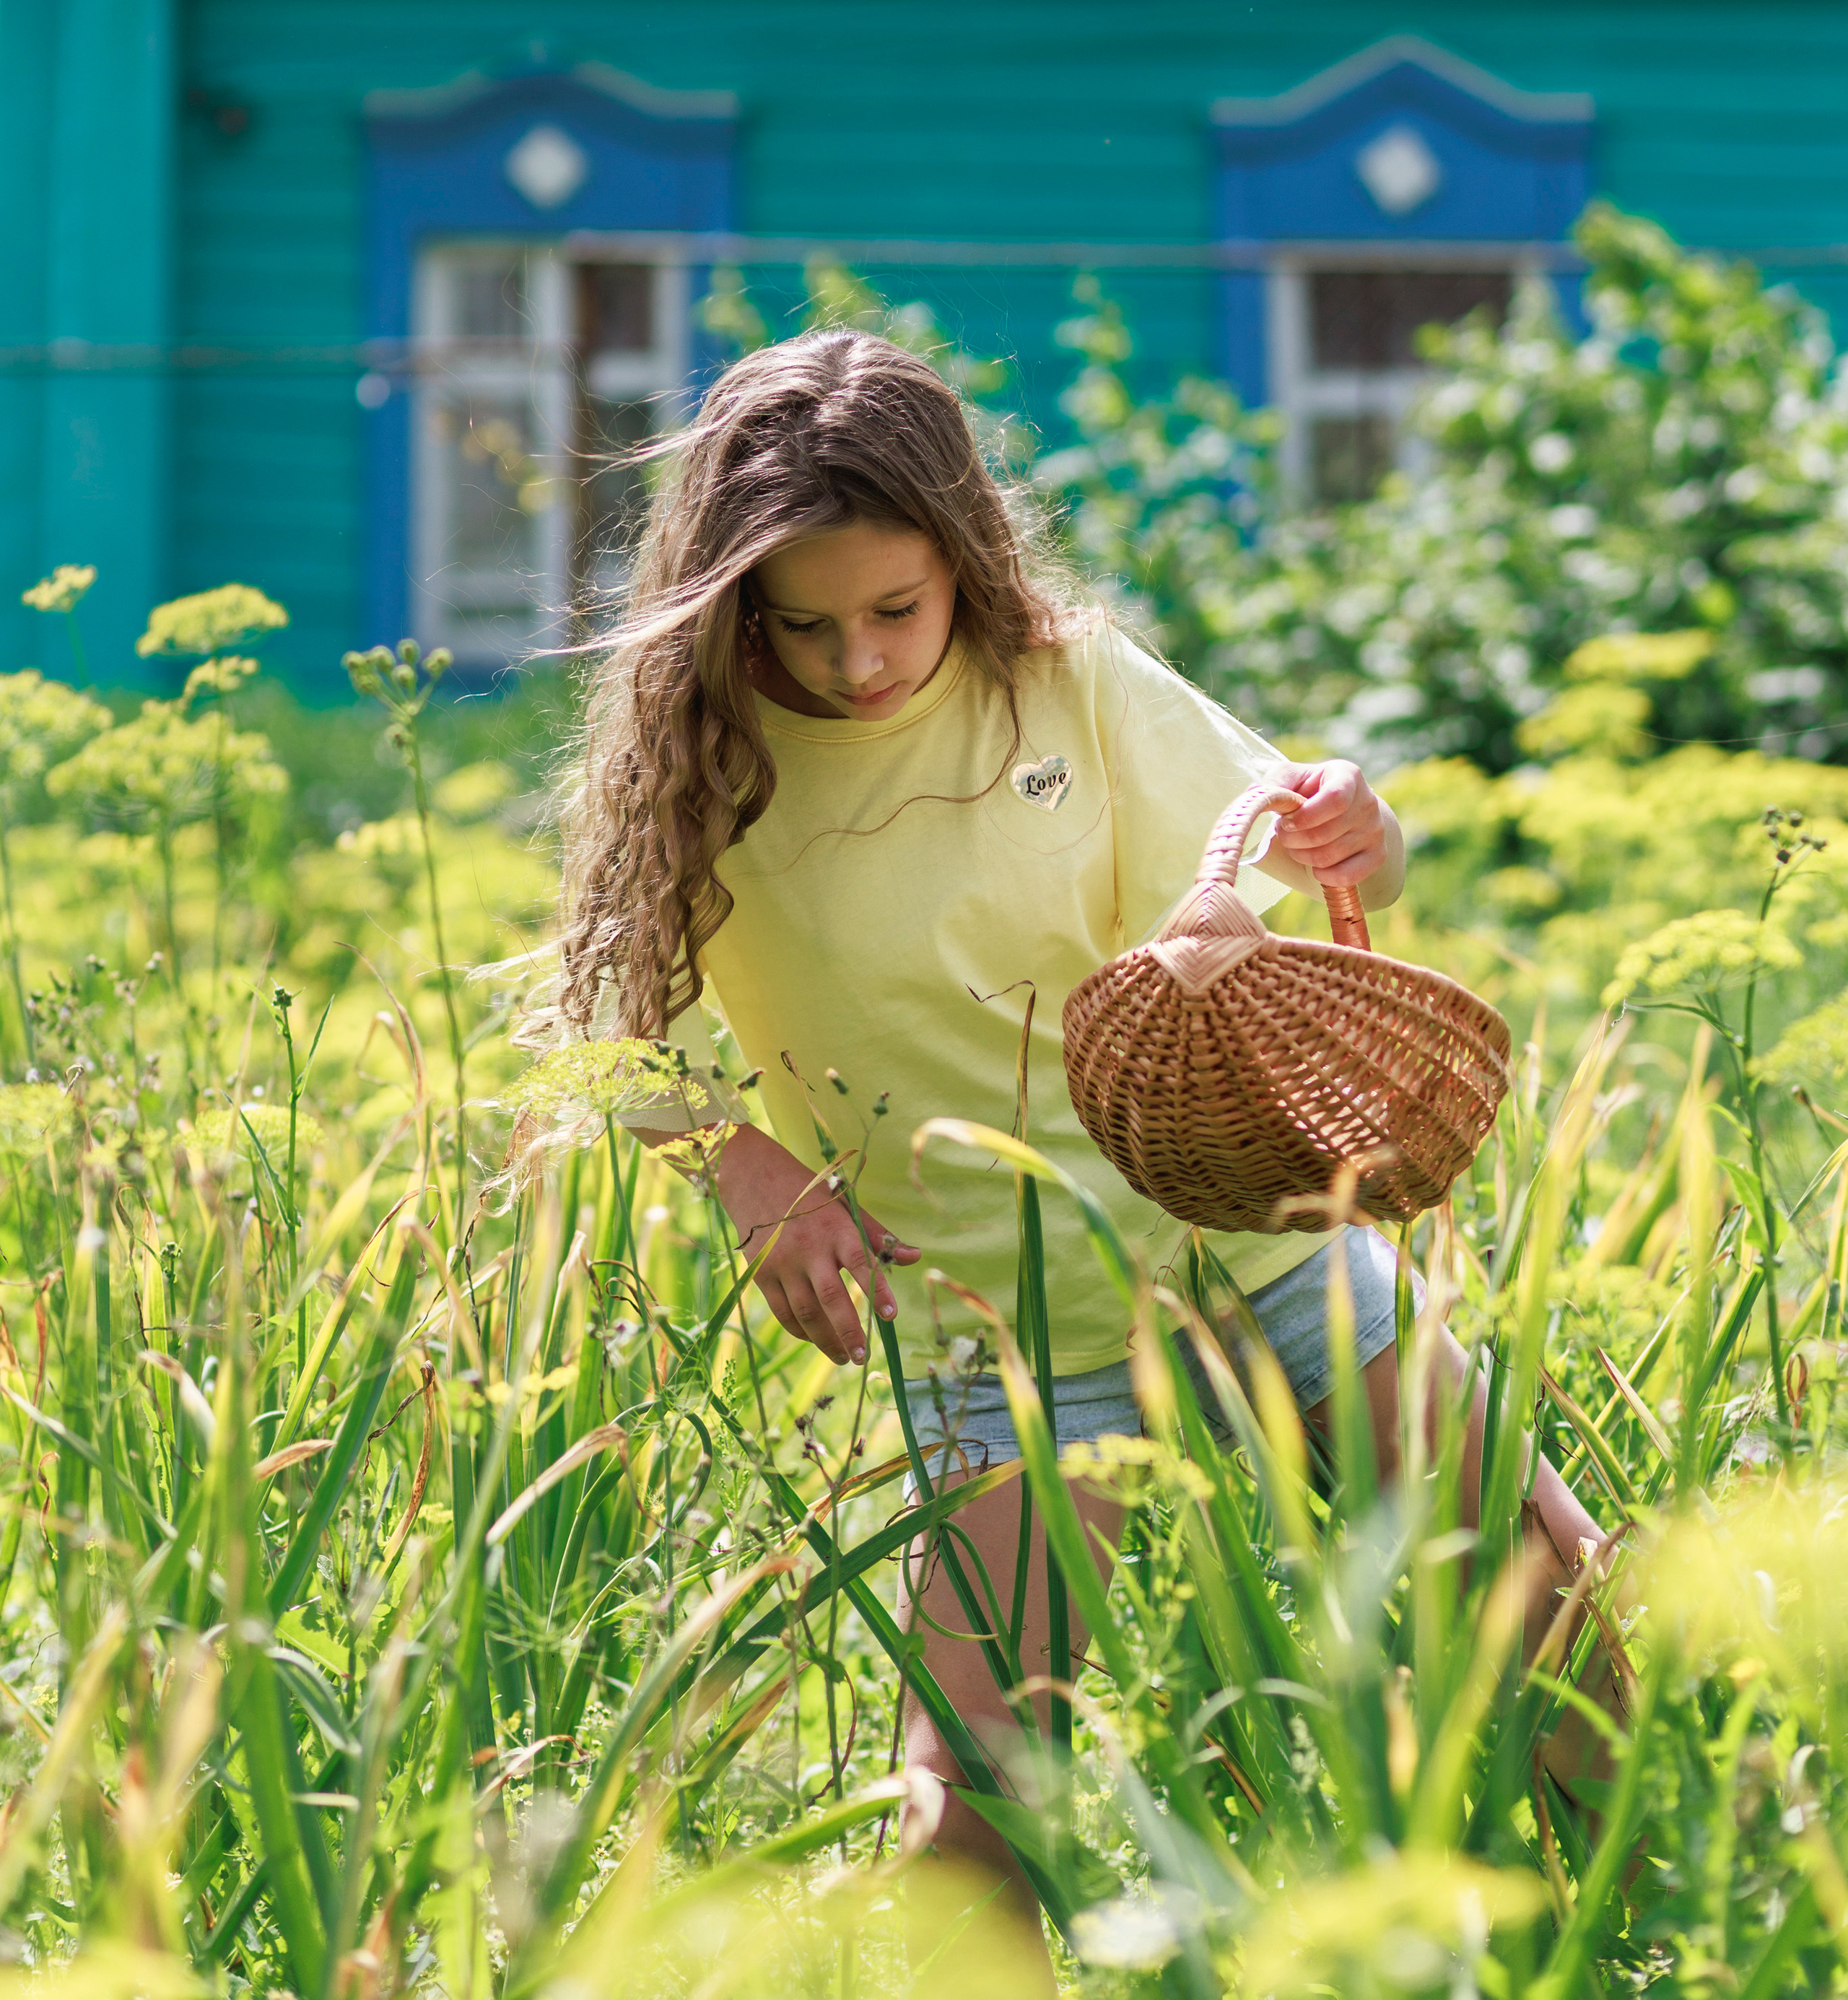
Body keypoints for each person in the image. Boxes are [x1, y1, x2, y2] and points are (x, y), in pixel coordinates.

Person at [555, 329, 1608, 1973]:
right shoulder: (705, 762)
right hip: (1000, 1321)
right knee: (972, 1777)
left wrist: (1365, 831)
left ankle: (1666, 1916)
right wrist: (744, 1170)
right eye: (804, 623)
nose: (858, 664)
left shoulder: (1072, 681)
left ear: (963, 553)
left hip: (1252, 1231)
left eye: (897, 609)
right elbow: (621, 1013)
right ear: (733, 603)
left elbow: (1313, 857)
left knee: (1536, 1602)